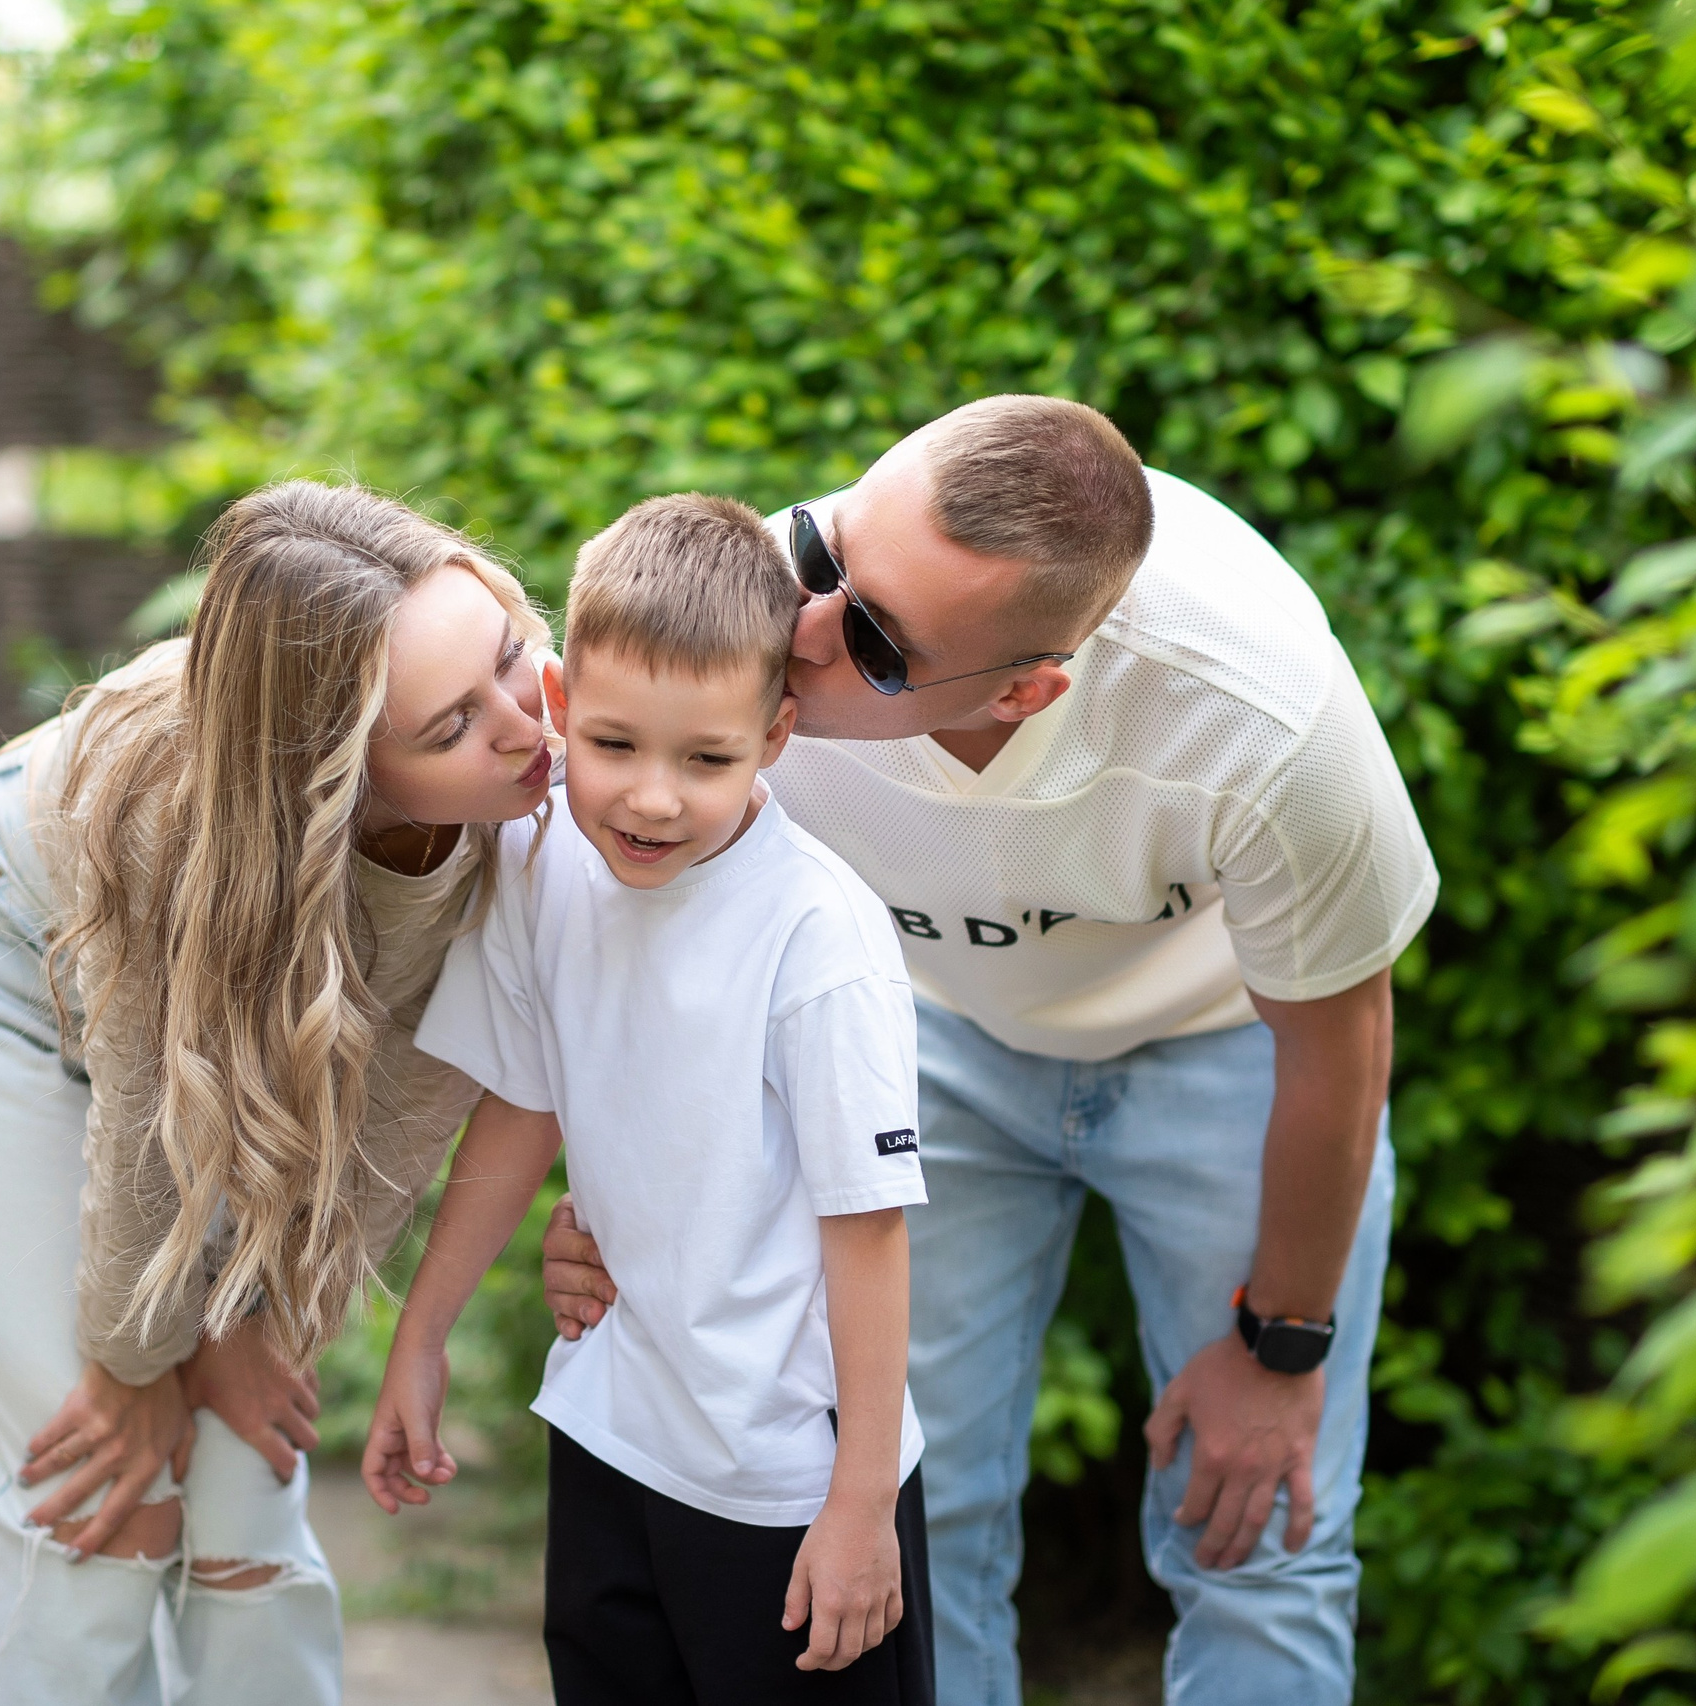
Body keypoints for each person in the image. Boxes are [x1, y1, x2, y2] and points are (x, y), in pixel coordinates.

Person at [544, 397, 1438, 1705]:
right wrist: (618, 1191)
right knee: (921, 1501)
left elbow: (1340, 1037)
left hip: (1222, 1054)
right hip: (933, 1041)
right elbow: (648, 928)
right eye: (823, 551)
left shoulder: (1264, 718)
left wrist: (1285, 1341)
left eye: (873, 640)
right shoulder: (750, 647)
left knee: (1259, 1529)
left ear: (1027, 688)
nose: (796, 633)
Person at [0, 480, 558, 1705]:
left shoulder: (543, 791)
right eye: (450, 727)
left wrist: (261, 1326)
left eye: (511, 653)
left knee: (244, 1495)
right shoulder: (177, 808)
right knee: (103, 1501)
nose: (524, 726)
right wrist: (141, 1357)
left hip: (188, 1059)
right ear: (344, 771)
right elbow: (149, 1123)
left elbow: (397, 1119)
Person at [364, 495, 936, 1704]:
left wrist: (861, 1501)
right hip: (613, 1432)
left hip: (787, 1476)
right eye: (615, 746)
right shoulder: (541, 857)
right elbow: (521, 1106)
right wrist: (423, 1336)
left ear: (776, 736)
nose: (652, 800)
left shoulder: (818, 938)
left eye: (707, 758)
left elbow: (867, 1224)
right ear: (560, 703)